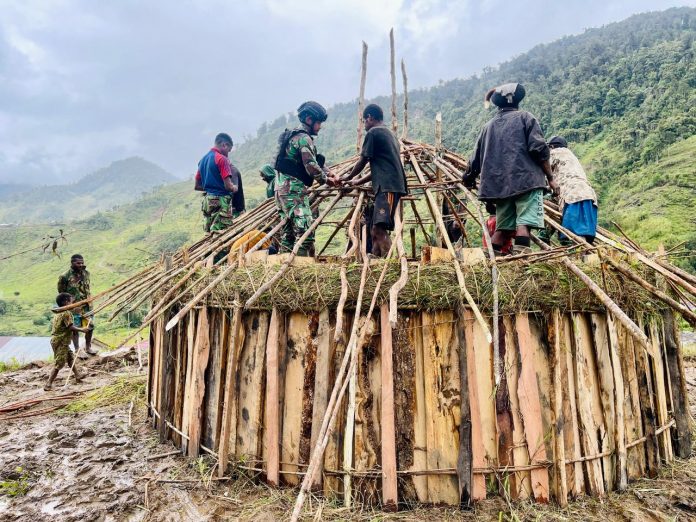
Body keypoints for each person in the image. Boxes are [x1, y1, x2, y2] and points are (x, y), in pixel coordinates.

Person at [464, 83, 558, 255]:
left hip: (500, 186)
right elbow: (539, 149)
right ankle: (522, 262)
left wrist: (468, 178)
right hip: (526, 181)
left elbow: (474, 160)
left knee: (503, 228)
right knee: (524, 224)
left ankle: (492, 260)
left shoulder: (488, 127)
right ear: (517, 101)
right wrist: (550, 178)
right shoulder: (526, 118)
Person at [273, 101, 338, 256]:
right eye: (319, 123)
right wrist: (327, 180)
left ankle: (284, 267)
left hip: (281, 190)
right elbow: (310, 165)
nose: (320, 126)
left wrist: (329, 172)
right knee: (306, 234)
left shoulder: (292, 136)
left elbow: (313, 160)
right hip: (293, 190)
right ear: (309, 120)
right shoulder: (304, 138)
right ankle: (295, 266)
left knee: (288, 235)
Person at [343, 104, 408, 257]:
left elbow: (363, 160)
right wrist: (357, 182)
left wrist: (348, 177)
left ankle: (390, 263)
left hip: (388, 187)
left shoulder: (373, 133)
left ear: (370, 117)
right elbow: (380, 169)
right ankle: (376, 259)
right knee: (374, 230)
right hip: (387, 185)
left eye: (364, 121)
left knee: (379, 229)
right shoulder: (390, 135)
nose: (364, 125)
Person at [547, 136, 598, 244]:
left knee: (570, 235)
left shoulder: (554, 153)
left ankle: (545, 236)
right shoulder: (571, 155)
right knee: (584, 234)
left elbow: (544, 170)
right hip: (588, 194)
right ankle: (586, 256)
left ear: (551, 146)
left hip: (572, 194)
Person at [194, 133, 241, 233]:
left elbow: (197, 186)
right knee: (221, 234)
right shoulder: (222, 159)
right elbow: (228, 186)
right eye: (228, 150)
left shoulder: (202, 160)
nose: (228, 154)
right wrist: (235, 187)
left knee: (209, 234)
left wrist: (211, 187)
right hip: (220, 202)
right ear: (224, 145)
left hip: (207, 202)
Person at [45, 293, 89, 390]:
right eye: (71, 301)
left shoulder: (59, 312)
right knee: (59, 363)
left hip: (59, 341)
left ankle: (77, 376)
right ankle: (48, 384)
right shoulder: (66, 313)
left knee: (70, 358)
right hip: (61, 341)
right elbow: (70, 327)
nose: (72, 303)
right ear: (65, 302)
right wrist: (82, 330)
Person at [57, 254, 96, 355]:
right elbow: (61, 293)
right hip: (74, 307)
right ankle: (77, 350)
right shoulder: (64, 276)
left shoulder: (86, 273)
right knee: (75, 328)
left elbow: (87, 289)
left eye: (82, 262)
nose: (81, 265)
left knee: (90, 326)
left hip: (88, 306)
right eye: (78, 263)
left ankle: (88, 348)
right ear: (72, 263)